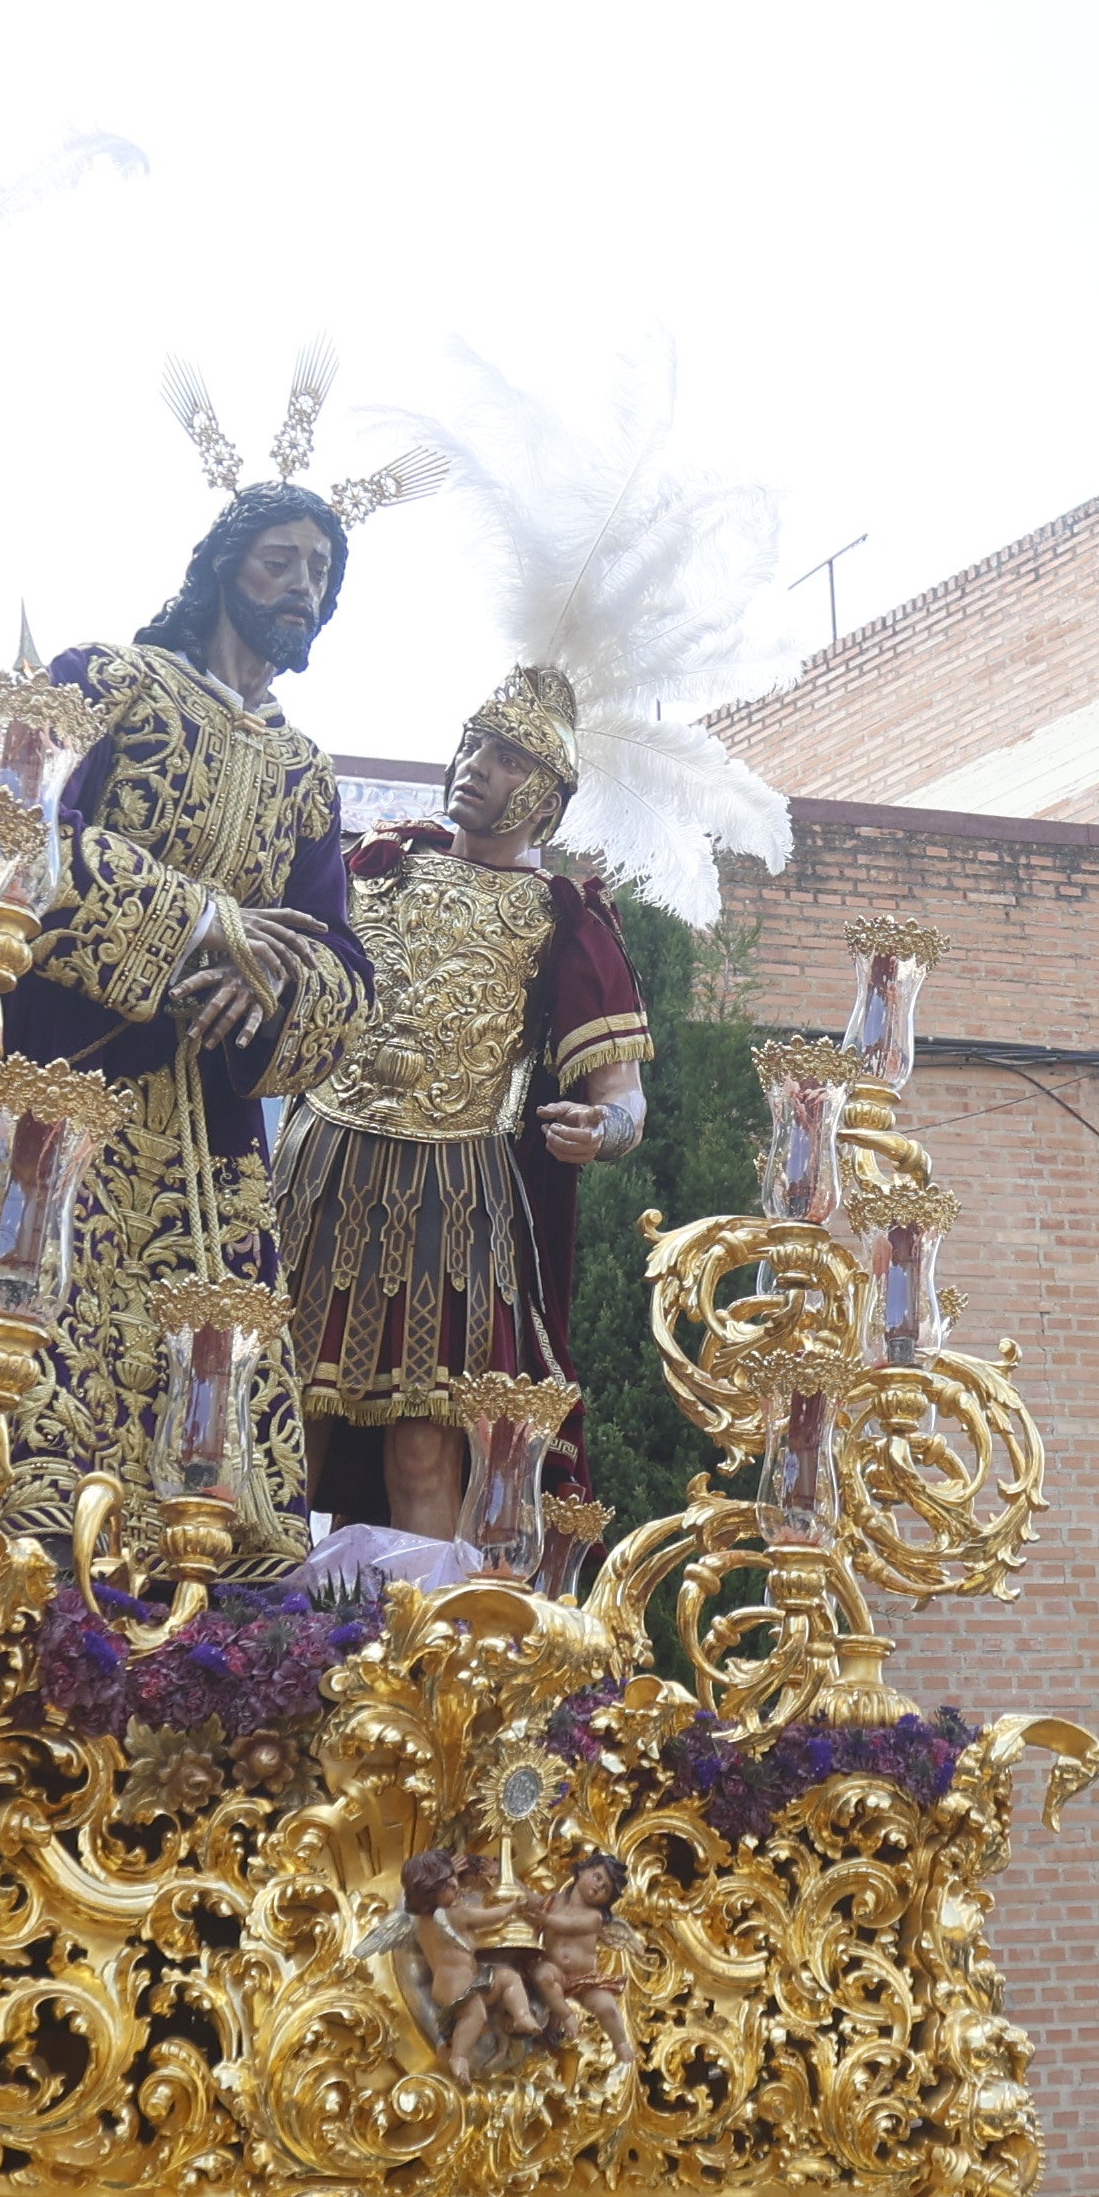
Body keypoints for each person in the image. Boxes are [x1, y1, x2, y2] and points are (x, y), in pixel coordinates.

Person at [0, 453, 383, 1552]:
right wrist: (204, 922)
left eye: (322, 572)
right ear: (223, 569)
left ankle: (177, 1602)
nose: (303, 587)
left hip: (209, 1138)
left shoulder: (305, 773)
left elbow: (341, 964)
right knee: (17, 1344)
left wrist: (265, 986)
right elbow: (18, 833)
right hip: (56, 1080)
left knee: (194, 1414)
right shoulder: (108, 680)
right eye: (281, 561)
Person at [267, 661, 650, 1580]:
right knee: (278, 1419)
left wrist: (602, 1131)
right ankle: (245, 1632)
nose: (478, 765)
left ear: (547, 799)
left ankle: (418, 1642)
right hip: (320, 1166)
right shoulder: (375, 864)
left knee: (425, 1449)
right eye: (475, 745)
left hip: (455, 1196)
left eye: (509, 758)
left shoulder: (565, 917)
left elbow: (625, 1096)